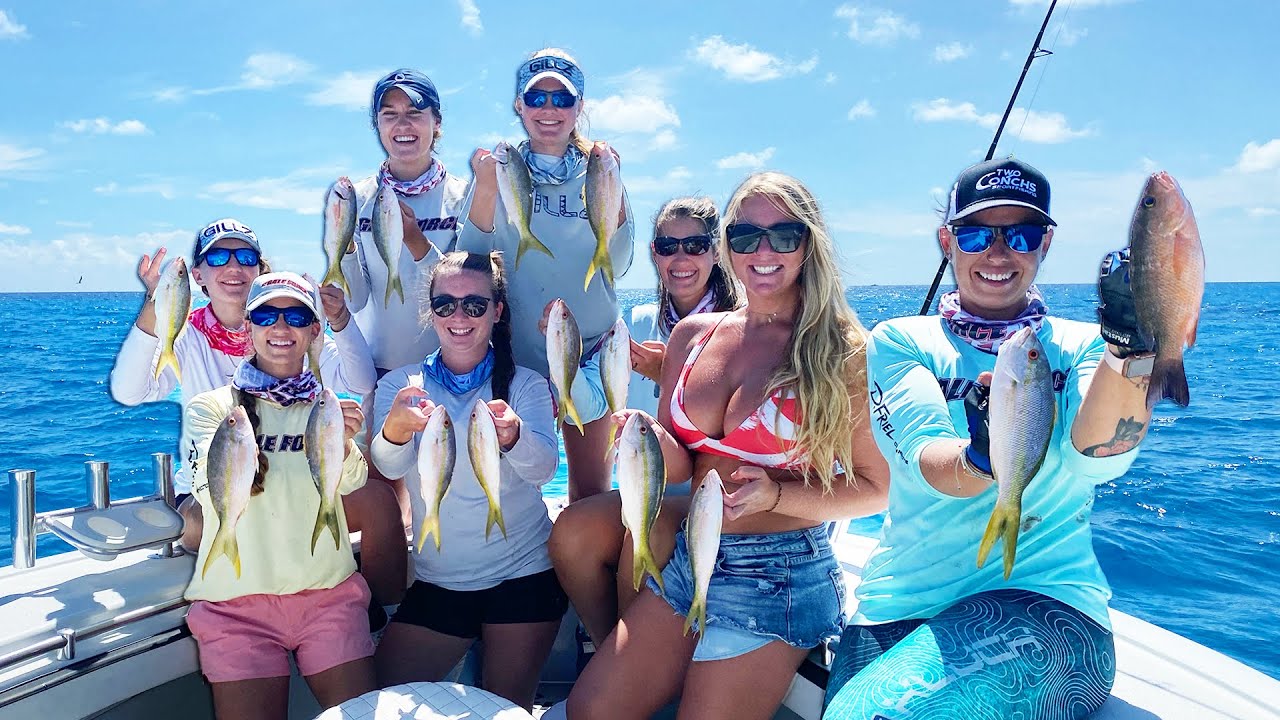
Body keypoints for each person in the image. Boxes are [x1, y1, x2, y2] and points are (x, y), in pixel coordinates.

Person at [822, 157, 1159, 719]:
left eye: (1021, 235)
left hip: (1046, 604)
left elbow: (1096, 460)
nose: (998, 253)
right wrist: (981, 457)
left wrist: (1128, 347)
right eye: (976, 233)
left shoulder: (1084, 346)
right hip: (895, 610)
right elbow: (926, 458)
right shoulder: (902, 340)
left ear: (1045, 244)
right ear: (946, 240)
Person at [567, 172, 890, 720]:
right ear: (727, 247)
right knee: (590, 711)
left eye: (783, 235)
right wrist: (647, 441)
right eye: (745, 237)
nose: (763, 251)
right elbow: (683, 465)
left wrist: (775, 497)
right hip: (692, 557)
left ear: (808, 244)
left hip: (778, 574)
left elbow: (874, 490)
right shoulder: (692, 336)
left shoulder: (841, 348)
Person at [369, 252, 564, 711]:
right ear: (430, 311)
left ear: (497, 311)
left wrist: (515, 436)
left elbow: (543, 470)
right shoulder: (400, 384)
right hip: (439, 584)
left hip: (524, 576)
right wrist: (394, 429)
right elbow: (389, 467)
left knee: (505, 710)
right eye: (445, 305)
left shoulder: (526, 385)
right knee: (378, 700)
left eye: (475, 305)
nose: (460, 316)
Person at [548, 195, 741, 650]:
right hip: (645, 489)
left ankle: (627, 668)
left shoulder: (742, 328)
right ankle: (605, 650)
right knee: (570, 534)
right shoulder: (635, 323)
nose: (681, 257)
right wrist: (563, 355)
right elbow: (595, 402)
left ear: (717, 252)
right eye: (667, 245)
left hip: (714, 498)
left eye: (695, 245)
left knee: (646, 531)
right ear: (653, 253)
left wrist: (670, 377)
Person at [181, 273, 375, 719]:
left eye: (296, 316)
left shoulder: (328, 405)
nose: (281, 327)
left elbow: (350, 483)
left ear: (314, 331)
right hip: (235, 607)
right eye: (266, 315)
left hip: (329, 596)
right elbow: (204, 489)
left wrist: (344, 443)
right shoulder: (212, 409)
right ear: (247, 329)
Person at [459, 48, 634, 501]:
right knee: (507, 491)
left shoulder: (601, 167)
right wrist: (483, 185)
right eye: (537, 99)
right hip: (513, 358)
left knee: (592, 491)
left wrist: (610, 186)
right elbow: (470, 262)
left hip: (591, 352)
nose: (549, 110)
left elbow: (620, 260)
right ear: (519, 106)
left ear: (580, 107)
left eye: (563, 98)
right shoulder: (500, 170)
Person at [110, 218, 376, 503]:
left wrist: (340, 319)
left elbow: (361, 382)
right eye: (218, 257)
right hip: (212, 490)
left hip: (295, 484)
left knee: (379, 501)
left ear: (259, 270)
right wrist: (157, 300)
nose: (233, 267)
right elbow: (129, 392)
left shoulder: (290, 333)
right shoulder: (185, 336)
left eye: (246, 257)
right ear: (197, 275)